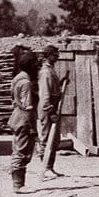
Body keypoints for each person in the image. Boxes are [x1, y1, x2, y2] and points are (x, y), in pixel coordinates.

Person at [8, 50, 40, 193]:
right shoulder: (26, 82)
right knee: (22, 151)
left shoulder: (17, 78)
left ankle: (19, 182)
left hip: (16, 115)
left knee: (19, 149)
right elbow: (28, 106)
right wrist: (33, 127)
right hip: (24, 118)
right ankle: (18, 185)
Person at [36, 45, 64, 180]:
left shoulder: (51, 71)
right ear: (48, 56)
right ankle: (45, 167)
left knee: (54, 139)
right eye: (55, 54)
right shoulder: (46, 72)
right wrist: (50, 111)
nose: (57, 57)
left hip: (53, 107)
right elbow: (45, 94)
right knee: (47, 138)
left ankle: (50, 167)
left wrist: (62, 82)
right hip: (48, 109)